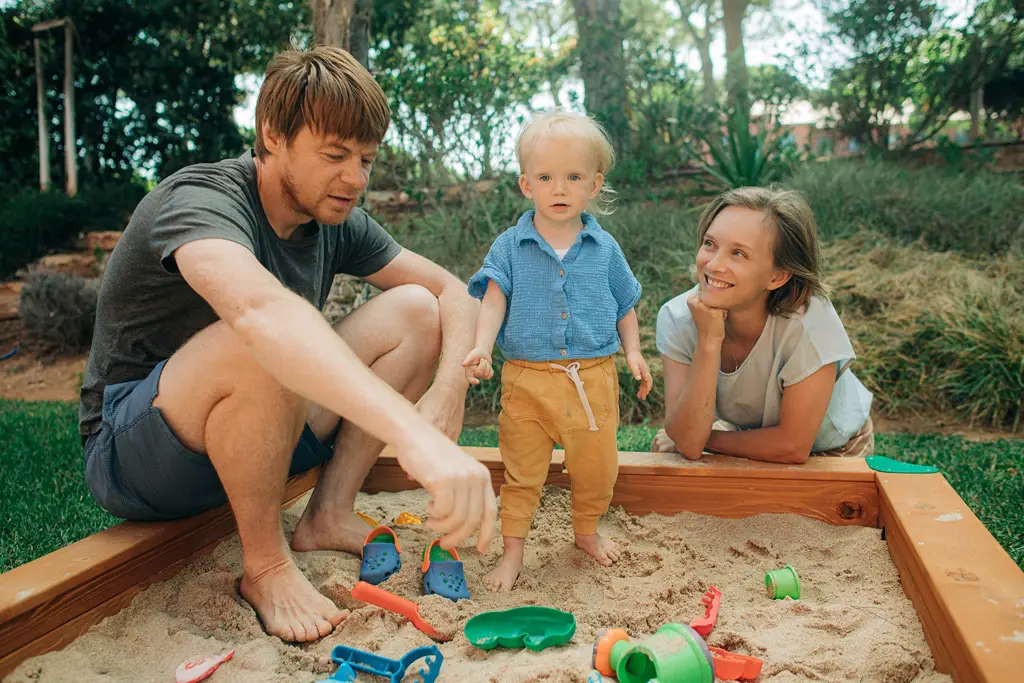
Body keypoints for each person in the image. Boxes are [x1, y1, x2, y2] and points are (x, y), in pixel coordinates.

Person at [78, 47, 497, 643]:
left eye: (366, 159)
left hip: (264, 433)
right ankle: (267, 565)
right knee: (262, 336)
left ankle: (327, 513)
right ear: (272, 136)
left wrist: (448, 391)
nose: (355, 179)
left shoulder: (335, 218)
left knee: (417, 311)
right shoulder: (201, 199)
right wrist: (412, 434)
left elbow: (453, 291)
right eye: (335, 156)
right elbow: (260, 313)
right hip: (136, 451)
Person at [462, 110, 654, 592]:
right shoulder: (510, 246)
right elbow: (493, 299)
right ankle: (513, 552)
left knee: (596, 465)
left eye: (573, 177)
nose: (560, 188)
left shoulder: (604, 248)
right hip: (525, 381)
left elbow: (624, 304)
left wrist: (633, 352)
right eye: (546, 177)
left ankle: (586, 531)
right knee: (521, 472)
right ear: (527, 184)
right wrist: (482, 347)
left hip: (591, 377)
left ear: (594, 183)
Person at [652, 186, 874, 463]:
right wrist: (709, 340)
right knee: (667, 455)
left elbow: (792, 446)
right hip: (750, 431)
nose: (714, 265)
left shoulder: (811, 323)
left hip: (830, 446)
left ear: (778, 277)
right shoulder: (677, 317)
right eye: (710, 244)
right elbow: (687, 442)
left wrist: (701, 437)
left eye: (738, 254)